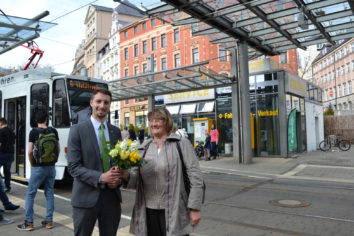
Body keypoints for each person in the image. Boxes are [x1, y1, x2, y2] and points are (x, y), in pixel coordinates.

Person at [120, 107, 204, 236]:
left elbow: (196, 178)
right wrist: (125, 175)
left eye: (158, 120)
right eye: (151, 121)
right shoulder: (144, 147)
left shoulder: (181, 144)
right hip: (148, 212)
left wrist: (194, 208)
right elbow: (136, 180)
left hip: (175, 211)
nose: (154, 124)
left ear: (166, 122)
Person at [67, 88, 123, 236]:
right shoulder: (77, 130)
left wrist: (118, 179)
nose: (102, 105)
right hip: (85, 198)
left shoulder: (115, 132)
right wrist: (100, 177)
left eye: (106, 102)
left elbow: (120, 164)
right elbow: (73, 167)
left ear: (110, 105)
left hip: (111, 198)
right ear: (91, 103)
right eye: (98, 101)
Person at [17, 110, 60, 231]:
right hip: (51, 167)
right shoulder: (53, 131)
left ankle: (29, 223)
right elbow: (58, 149)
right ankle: (49, 221)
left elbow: (30, 152)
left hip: (38, 167)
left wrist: (33, 165)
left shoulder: (33, 132)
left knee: (31, 194)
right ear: (47, 118)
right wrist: (53, 162)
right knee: (50, 193)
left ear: (35, 121)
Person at [0, 118, 15, 193]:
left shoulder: (1, 131)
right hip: (10, 154)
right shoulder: (11, 131)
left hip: (2, 154)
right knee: (7, 171)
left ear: (0, 123)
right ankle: (7, 187)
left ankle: (1, 186)